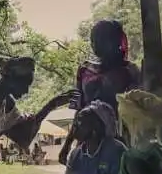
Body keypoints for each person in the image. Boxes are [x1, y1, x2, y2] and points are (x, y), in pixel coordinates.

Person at [59, 20, 140, 165]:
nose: (94, 44)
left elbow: (137, 113)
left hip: (120, 140)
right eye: (92, 40)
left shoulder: (129, 71)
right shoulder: (84, 70)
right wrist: (67, 145)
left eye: (99, 39)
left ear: (114, 41)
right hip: (87, 141)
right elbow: (78, 111)